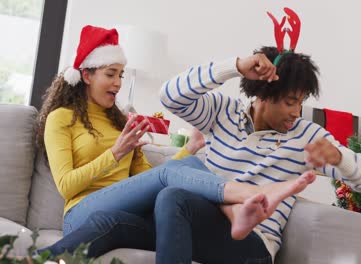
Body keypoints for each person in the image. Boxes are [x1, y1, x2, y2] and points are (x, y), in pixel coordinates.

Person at [36, 25, 318, 260]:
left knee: (130, 214)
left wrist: (189, 149)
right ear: (86, 75)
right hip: (79, 212)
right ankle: (240, 196)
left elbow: (148, 180)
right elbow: (67, 185)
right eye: (110, 74)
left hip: (114, 214)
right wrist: (115, 152)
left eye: (121, 75)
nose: (118, 83)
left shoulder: (120, 121)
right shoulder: (62, 117)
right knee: (177, 174)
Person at [159, 46, 361, 263]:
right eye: (290, 102)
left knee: (173, 196)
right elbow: (170, 96)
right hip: (207, 224)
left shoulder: (306, 136)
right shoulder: (222, 112)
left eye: (300, 103)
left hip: (253, 244)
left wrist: (340, 158)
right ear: (263, 93)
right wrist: (235, 67)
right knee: (124, 221)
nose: (296, 112)